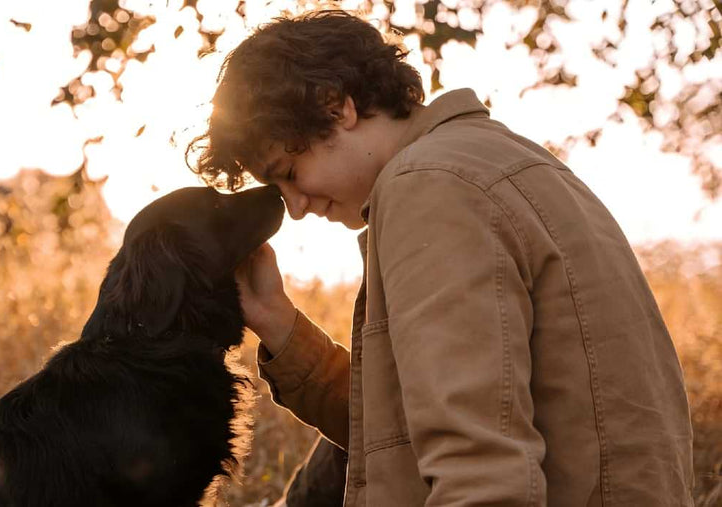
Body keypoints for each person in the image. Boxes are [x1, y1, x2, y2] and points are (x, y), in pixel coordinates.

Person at [187, 10, 694, 506]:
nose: (294, 208)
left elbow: (480, 472)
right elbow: (405, 435)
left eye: (290, 173)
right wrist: (280, 325)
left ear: (336, 107)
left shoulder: (430, 187)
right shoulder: (493, 161)